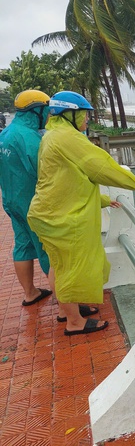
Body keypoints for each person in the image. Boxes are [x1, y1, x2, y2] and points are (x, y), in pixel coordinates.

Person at [27, 91, 135, 336]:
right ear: (70, 114)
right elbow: (100, 165)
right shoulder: (67, 137)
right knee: (68, 269)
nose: (87, 120)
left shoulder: (52, 135)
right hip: (61, 217)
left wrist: (103, 199)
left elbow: (68, 181)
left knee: (60, 266)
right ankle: (74, 323)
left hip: (49, 212)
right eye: (84, 114)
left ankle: (68, 311)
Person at [0, 90, 53, 307]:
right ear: (37, 110)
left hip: (11, 200)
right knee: (49, 249)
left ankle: (30, 293)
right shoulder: (29, 137)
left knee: (22, 244)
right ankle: (68, 306)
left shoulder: (5, 133)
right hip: (32, 202)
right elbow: (44, 171)